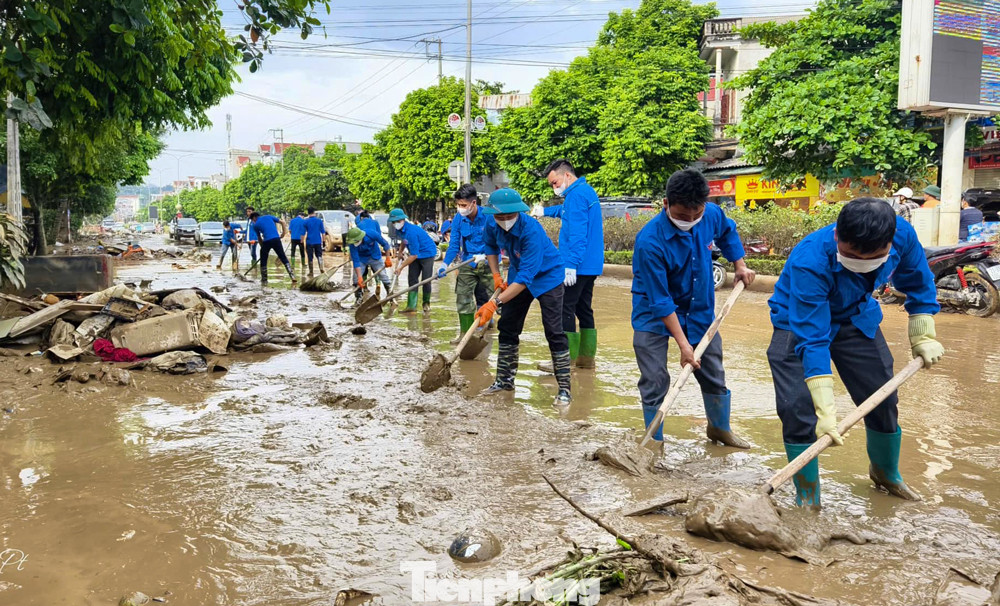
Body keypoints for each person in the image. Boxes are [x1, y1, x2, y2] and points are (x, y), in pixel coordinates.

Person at [767, 198, 944, 507]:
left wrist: (923, 332)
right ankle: (808, 496)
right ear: (838, 235)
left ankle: (886, 474)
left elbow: (918, 280)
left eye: (872, 258)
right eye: (851, 256)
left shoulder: (901, 234)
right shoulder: (809, 260)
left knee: (883, 397)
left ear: (889, 242)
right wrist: (825, 410)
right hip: (796, 321)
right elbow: (813, 339)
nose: (860, 262)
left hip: (855, 316)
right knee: (797, 408)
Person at [632, 169, 756, 449]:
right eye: (681, 216)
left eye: (695, 215)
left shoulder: (710, 214)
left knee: (713, 371)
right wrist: (683, 345)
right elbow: (661, 301)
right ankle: (654, 442)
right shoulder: (650, 242)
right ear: (665, 204)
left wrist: (739, 265)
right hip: (653, 314)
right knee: (654, 378)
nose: (689, 221)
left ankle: (719, 429)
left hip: (699, 310)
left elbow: (727, 232)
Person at [475, 188, 571, 406]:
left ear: (519, 212)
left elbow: (528, 277)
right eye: (501, 217)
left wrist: (495, 302)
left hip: (547, 276)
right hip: (518, 272)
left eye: (510, 216)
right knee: (508, 325)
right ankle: (504, 381)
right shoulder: (491, 223)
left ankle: (564, 389)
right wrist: (497, 275)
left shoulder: (531, 231)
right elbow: (490, 247)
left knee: (554, 330)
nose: (506, 220)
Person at [532, 159, 604, 371]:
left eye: (555, 183)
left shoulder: (576, 196)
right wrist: (545, 212)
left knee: (565, 308)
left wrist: (570, 264)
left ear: (567, 176)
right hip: (590, 265)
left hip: (577, 265)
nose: (554, 187)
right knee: (584, 309)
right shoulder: (584, 192)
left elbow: (578, 234)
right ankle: (585, 359)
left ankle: (564, 362)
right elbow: (565, 212)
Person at [438, 184, 495, 340]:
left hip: (489, 261)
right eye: (458, 205)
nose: (460, 208)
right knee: (463, 298)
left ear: (474, 203)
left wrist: (487, 255)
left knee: (496, 296)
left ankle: (487, 323)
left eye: (463, 205)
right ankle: (465, 335)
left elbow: (499, 241)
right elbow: (454, 244)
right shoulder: (458, 219)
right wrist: (445, 264)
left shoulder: (489, 217)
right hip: (467, 262)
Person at [390, 208, 439, 312]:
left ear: (403, 220)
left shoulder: (411, 231)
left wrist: (400, 267)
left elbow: (413, 256)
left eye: (398, 221)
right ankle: (411, 306)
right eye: (394, 222)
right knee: (412, 279)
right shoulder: (399, 230)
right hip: (415, 253)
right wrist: (400, 252)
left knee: (426, 280)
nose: (396, 223)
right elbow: (404, 241)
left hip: (427, 253)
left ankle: (426, 304)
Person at [347, 212, 393, 300]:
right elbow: (356, 262)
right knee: (356, 279)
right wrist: (360, 277)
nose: (355, 243)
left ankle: (390, 297)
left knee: (383, 276)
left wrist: (388, 258)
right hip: (361, 258)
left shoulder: (372, 233)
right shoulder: (352, 244)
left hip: (374, 255)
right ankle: (358, 299)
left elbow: (386, 245)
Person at [250, 211, 296, 285]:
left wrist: (263, 249)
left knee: (263, 260)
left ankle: (264, 280)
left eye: (253, 220)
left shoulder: (255, 225)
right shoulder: (269, 216)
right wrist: (283, 233)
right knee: (283, 257)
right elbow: (283, 222)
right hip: (276, 239)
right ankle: (292, 276)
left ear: (254, 218)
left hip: (267, 241)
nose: (253, 221)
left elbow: (259, 238)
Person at [303, 207, 327, 275]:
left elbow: (303, 233)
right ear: (314, 212)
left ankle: (311, 272)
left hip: (309, 241)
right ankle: (321, 268)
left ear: (308, 213)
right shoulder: (319, 221)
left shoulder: (306, 221)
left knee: (310, 256)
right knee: (319, 255)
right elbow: (323, 232)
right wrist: (324, 242)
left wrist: (301, 241)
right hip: (318, 241)